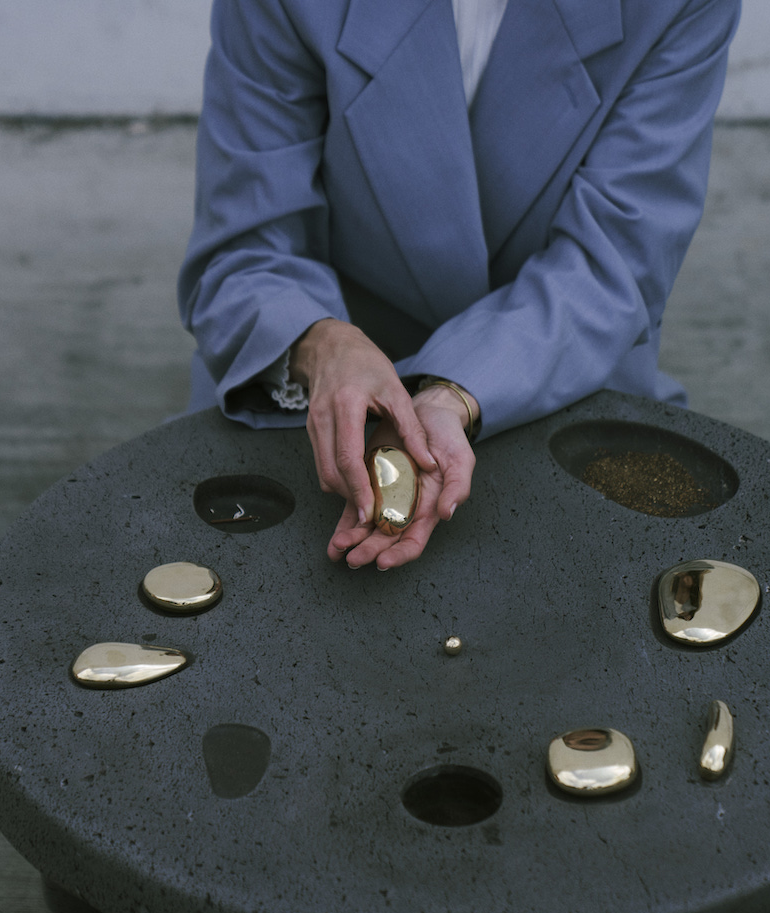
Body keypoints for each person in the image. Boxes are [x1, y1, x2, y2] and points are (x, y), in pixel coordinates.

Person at [178, 0, 740, 569]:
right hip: (323, 396)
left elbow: (615, 263)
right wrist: (321, 345)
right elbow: (245, 247)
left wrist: (453, 389)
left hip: (561, 365)